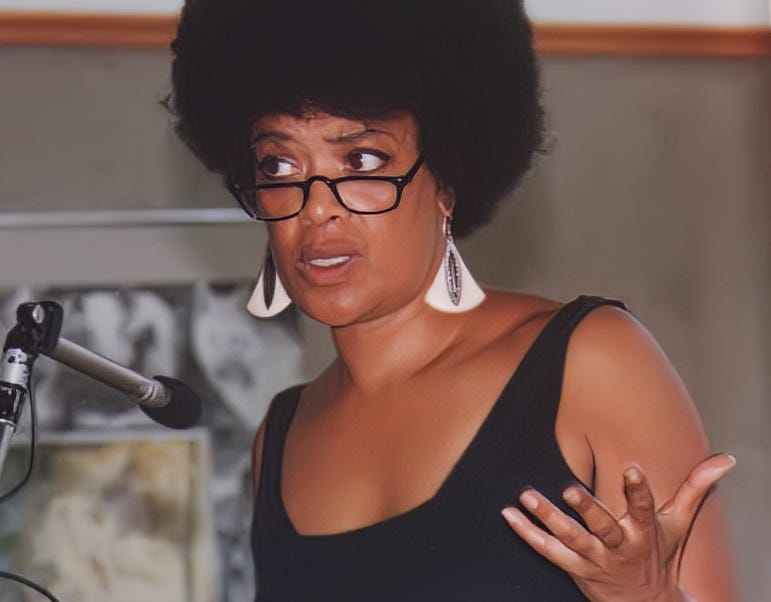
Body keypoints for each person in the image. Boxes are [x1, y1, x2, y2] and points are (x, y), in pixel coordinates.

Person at [168, 0, 738, 599]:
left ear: (447, 180)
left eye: (361, 160)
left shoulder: (590, 363)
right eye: (279, 164)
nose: (315, 207)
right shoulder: (281, 439)